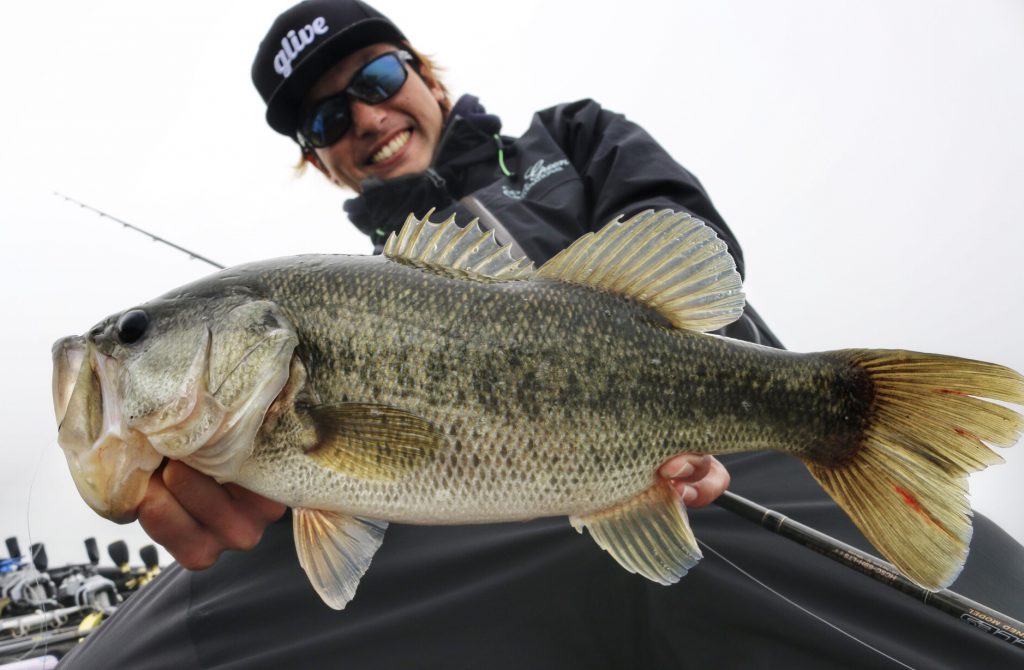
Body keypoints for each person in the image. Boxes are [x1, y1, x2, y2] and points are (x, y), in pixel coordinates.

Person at [60, 1, 1024, 668]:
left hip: (737, 474)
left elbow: (696, 262)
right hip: (505, 542)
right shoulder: (354, 293)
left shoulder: (576, 137)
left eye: (378, 76)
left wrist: (650, 406)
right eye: (325, 118)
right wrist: (245, 484)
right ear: (319, 159)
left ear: (426, 73)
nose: (365, 116)